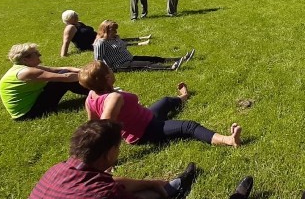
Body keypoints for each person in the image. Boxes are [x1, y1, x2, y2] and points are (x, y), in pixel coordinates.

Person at [27, 119, 254, 199]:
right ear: (108, 153)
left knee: (139, 194)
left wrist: (155, 183)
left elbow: (116, 183)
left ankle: (170, 187)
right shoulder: (104, 195)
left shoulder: (58, 170)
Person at [79, 60, 243, 148]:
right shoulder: (113, 98)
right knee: (189, 127)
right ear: (107, 78)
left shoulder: (91, 97)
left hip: (147, 116)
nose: (111, 70)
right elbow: (103, 128)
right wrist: (106, 158)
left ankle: (184, 96)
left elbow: (90, 123)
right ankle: (228, 140)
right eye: (109, 69)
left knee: (165, 101)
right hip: (145, 132)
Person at [0, 43, 89, 120]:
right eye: (36, 53)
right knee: (61, 81)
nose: (40, 54)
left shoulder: (24, 68)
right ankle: (98, 92)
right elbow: (65, 77)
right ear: (25, 59)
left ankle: (96, 91)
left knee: (63, 74)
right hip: (28, 114)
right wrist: (91, 76)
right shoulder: (27, 72)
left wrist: (85, 71)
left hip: (29, 107)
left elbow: (63, 68)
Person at [93, 20, 193, 72]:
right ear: (105, 30)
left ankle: (181, 58)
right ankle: (171, 67)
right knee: (146, 64)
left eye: (116, 29)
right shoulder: (101, 42)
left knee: (154, 58)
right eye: (113, 30)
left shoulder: (115, 38)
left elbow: (124, 45)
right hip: (120, 65)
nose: (116, 32)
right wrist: (106, 73)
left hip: (129, 58)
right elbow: (98, 61)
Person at [61, 10, 151, 57]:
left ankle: (141, 37)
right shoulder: (70, 28)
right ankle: (141, 43)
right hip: (90, 44)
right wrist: (64, 54)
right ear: (69, 18)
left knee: (116, 38)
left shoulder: (79, 23)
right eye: (75, 16)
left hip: (97, 38)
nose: (77, 16)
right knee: (114, 44)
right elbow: (66, 42)